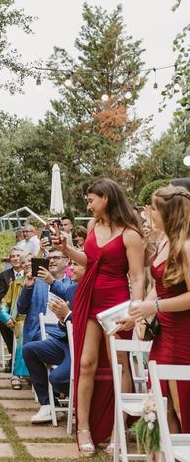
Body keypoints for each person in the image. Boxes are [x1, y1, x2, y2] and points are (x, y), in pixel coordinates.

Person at [54, 178, 144, 456]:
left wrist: (136, 310)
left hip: (116, 303)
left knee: (120, 366)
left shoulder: (130, 234)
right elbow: (91, 261)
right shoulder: (94, 227)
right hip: (89, 297)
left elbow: (138, 276)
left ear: (105, 198)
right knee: (86, 362)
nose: (88, 205)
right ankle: (84, 428)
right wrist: (67, 250)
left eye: (91, 200)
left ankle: (120, 427)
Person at [130, 185, 190, 433]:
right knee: (162, 406)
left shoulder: (186, 247)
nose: (148, 213)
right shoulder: (164, 242)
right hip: (164, 333)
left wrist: (154, 305)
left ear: (170, 213)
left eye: (153, 209)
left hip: (183, 336)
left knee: (180, 406)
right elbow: (162, 287)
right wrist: (136, 312)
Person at [23, 257, 85, 423]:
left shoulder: (93, 289)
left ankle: (82, 404)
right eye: (71, 264)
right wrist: (62, 319)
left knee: (57, 378)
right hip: (64, 341)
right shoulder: (72, 289)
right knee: (29, 350)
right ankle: (48, 405)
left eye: (75, 264)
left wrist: (68, 315)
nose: (71, 268)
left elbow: (85, 323)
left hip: (82, 345)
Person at [0, 252, 31, 389]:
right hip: (21, 321)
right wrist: (6, 317)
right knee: (24, 331)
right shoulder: (16, 284)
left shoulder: (46, 281)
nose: (28, 264)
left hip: (42, 321)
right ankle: (17, 374)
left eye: (31, 261)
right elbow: (3, 305)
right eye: (25, 263)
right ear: (22, 267)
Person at [0, 247, 25, 372]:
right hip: (10, 311)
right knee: (4, 324)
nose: (15, 258)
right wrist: (10, 289)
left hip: (25, 313)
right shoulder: (4, 275)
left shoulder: (29, 273)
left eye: (18, 256)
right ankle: (13, 354)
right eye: (13, 256)